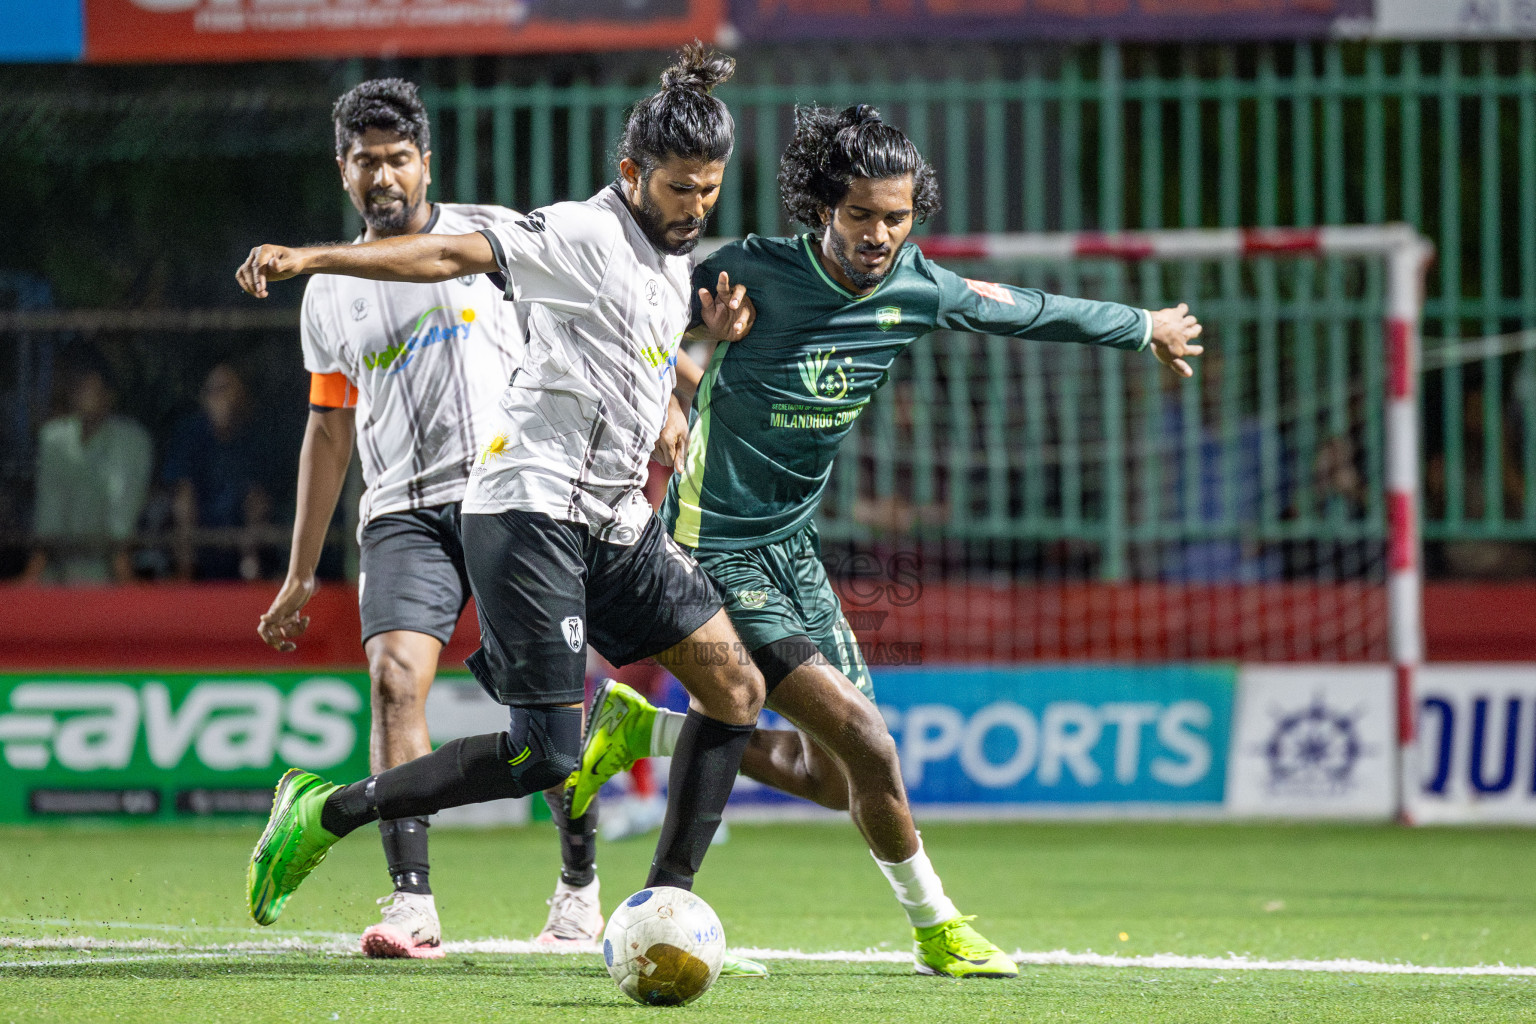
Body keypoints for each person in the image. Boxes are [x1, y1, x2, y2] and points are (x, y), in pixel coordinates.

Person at [566, 104, 1204, 979]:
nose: (877, 234)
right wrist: (687, 374)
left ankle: (647, 732)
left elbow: (1024, 308)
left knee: (832, 777)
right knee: (870, 736)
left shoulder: (917, 286)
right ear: (824, 206)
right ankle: (936, 924)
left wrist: (1143, 327)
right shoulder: (753, 269)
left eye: (895, 217)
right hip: (712, 543)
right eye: (859, 214)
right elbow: (634, 324)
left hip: (792, 549)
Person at [239, 45, 767, 975]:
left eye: (710, 190)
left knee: (735, 688)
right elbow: (444, 257)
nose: (696, 207)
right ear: (633, 174)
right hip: (521, 510)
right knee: (539, 753)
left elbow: (637, 348)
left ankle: (659, 899)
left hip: (609, 520)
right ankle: (336, 819)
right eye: (681, 188)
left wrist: (693, 376)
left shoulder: (667, 257)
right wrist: (316, 255)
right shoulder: (576, 233)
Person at [253, 78, 543, 959]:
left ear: (427, 162)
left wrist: (674, 390)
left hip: (509, 497)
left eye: (398, 157)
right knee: (392, 683)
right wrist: (301, 571)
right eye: (365, 160)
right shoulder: (329, 293)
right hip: (403, 514)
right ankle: (412, 904)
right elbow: (329, 424)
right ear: (343, 171)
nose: (383, 175)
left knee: (547, 696)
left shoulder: (487, 238)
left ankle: (578, 889)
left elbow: (580, 327)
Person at [20, 350, 152, 585]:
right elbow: (48, 518)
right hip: (54, 580)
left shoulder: (132, 441)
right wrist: (28, 585)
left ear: (109, 394)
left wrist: (129, 591)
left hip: (108, 582)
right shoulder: (53, 439)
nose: (82, 392)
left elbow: (121, 523)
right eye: (77, 385)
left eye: (90, 384)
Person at [162, 362, 284, 580]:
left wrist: (251, 563)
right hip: (198, 555)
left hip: (246, 558)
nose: (218, 398)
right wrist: (186, 568)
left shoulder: (258, 438)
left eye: (225, 389)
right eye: (212, 391)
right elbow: (183, 500)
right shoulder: (190, 436)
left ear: (244, 396)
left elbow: (257, 502)